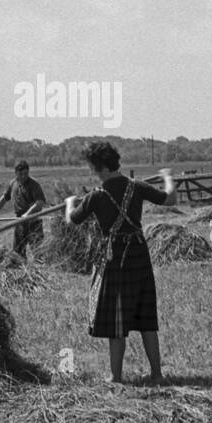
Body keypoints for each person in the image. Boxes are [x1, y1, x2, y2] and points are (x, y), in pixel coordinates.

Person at [64, 141, 177, 384]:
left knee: (117, 319)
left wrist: (69, 203)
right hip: (139, 254)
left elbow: (72, 221)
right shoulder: (136, 187)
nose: (91, 170)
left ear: (101, 167)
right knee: (146, 316)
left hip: (115, 259)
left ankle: (116, 377)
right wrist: (168, 177)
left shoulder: (96, 196)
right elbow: (169, 200)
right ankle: (157, 374)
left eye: (92, 166)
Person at [0, 160, 47, 256]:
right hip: (19, 221)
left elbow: (40, 202)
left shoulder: (34, 185)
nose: (23, 176)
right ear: (15, 173)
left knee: (37, 252)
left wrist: (27, 214)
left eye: (25, 173)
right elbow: (4, 198)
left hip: (34, 222)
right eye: (20, 174)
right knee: (18, 253)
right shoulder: (13, 183)